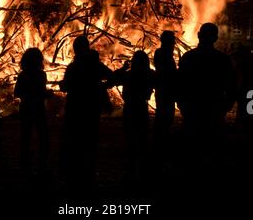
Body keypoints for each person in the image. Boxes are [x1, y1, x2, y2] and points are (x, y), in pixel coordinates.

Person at [177, 23, 236, 165]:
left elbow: (180, 84)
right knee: (213, 148)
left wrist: (182, 104)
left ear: (198, 35)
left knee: (193, 148)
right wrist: (227, 105)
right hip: (214, 108)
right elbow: (231, 85)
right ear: (215, 38)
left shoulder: (188, 57)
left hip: (193, 108)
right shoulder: (223, 59)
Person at [60, 36, 112, 190]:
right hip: (91, 107)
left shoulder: (73, 67)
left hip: (76, 107)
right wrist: (101, 87)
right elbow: (110, 76)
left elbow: (66, 87)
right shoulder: (95, 65)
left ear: (76, 49)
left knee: (75, 140)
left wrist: (64, 85)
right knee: (90, 138)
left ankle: (75, 175)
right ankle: (88, 172)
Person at [109, 50, 155, 182]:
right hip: (141, 107)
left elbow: (112, 78)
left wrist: (123, 68)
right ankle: (141, 168)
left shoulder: (128, 75)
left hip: (130, 108)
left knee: (131, 137)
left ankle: (131, 168)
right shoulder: (149, 74)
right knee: (142, 137)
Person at [14, 48, 50, 174]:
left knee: (26, 135)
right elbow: (41, 93)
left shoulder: (23, 75)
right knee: (43, 136)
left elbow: (17, 92)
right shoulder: (41, 75)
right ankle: (42, 163)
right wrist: (47, 94)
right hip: (38, 108)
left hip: (26, 108)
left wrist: (28, 93)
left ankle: (25, 163)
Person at [153, 31, 177, 162]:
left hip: (163, 89)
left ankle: (160, 141)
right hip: (165, 89)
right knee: (165, 115)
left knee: (163, 114)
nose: (174, 43)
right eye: (172, 40)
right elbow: (168, 73)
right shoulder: (164, 54)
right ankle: (161, 143)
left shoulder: (161, 53)